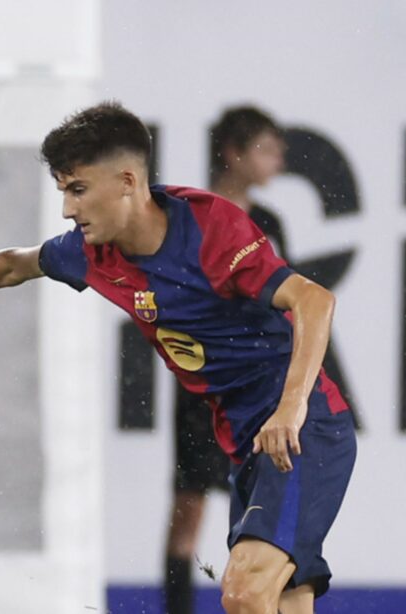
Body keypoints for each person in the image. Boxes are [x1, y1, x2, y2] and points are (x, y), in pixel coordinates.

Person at [0, 102, 357, 614]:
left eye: (78, 190)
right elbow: (13, 263)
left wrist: (289, 409)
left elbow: (314, 299)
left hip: (302, 429)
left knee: (244, 591)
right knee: (284, 598)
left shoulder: (211, 229)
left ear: (128, 182)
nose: (67, 208)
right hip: (245, 437)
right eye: (63, 190)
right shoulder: (96, 253)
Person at [165, 106, 288, 614]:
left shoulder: (268, 223)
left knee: (262, 505)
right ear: (233, 153)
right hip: (203, 379)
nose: (277, 161)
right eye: (266, 149)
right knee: (188, 505)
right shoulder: (191, 215)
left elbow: (286, 297)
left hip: (253, 380)